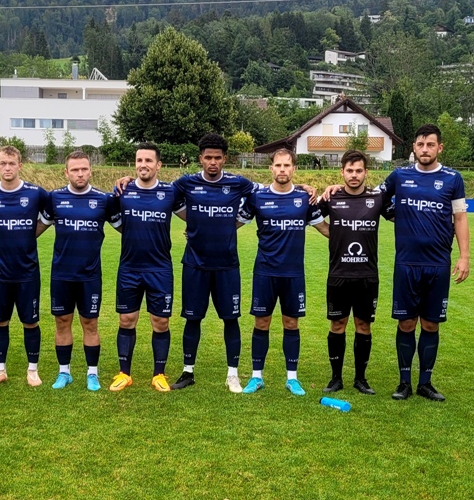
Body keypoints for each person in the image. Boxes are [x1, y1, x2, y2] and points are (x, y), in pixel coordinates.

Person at [377, 123, 470, 402]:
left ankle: (425, 383)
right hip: (406, 264)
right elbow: (374, 198)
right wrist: (394, 214)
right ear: (413, 148)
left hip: (438, 264)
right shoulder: (399, 176)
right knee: (406, 323)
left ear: (440, 147)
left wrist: (464, 256)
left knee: (431, 325)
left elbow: (460, 218)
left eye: (430, 144)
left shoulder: (453, 179)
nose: (425, 149)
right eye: (420, 144)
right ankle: (404, 382)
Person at [169, 133, 257, 392]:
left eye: (217, 158)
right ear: (201, 158)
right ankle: (188, 372)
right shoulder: (187, 182)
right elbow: (161, 193)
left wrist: (237, 222)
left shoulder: (238, 183)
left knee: (231, 319)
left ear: (224, 159)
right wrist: (193, 222)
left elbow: (265, 193)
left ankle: (232, 375)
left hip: (227, 265)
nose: (213, 162)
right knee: (192, 319)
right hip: (194, 264)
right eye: (208, 157)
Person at [240, 147, 324, 396]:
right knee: (261, 322)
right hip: (265, 272)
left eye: (287, 165)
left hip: (293, 273)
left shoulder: (304, 199)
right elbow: (233, 223)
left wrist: (357, 235)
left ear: (294, 169)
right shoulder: (257, 197)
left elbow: (326, 229)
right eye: (278, 165)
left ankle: (292, 378)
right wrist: (202, 232)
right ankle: (256, 377)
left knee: (291, 323)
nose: (282, 169)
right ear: (271, 168)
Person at [314, 150, 392, 395]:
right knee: (337, 324)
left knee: (363, 325)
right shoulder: (332, 197)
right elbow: (308, 213)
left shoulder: (377, 198)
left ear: (366, 172)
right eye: (349, 171)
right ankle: (336, 378)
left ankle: (361, 379)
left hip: (367, 275)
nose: (354, 175)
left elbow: (400, 216)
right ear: (342, 172)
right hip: (339, 274)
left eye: (359, 170)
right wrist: (330, 232)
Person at [0, 145, 49, 387]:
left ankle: (33, 370)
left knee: (31, 322)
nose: (7, 168)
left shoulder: (36, 193)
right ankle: (0, 370)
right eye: (3, 163)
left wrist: (32, 232)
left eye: (12, 163)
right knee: (0, 321)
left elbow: (50, 214)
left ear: (20, 165)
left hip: (28, 271)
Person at [105, 143, 177, 392]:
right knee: (127, 320)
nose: (143, 165)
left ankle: (159, 374)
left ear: (158, 165)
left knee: (161, 321)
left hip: (160, 268)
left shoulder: (170, 192)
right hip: (129, 268)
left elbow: (192, 211)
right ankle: (124, 373)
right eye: (139, 160)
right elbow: (112, 216)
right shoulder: (122, 191)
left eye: (148, 160)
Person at [43, 150, 112, 391]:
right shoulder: (55, 198)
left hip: (89, 275)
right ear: (66, 172)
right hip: (61, 274)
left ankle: (92, 374)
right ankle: (64, 372)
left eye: (84, 169)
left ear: (90, 171)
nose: (80, 173)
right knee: (62, 322)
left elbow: (127, 227)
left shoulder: (104, 200)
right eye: (75, 169)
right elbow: (35, 229)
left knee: (90, 323)